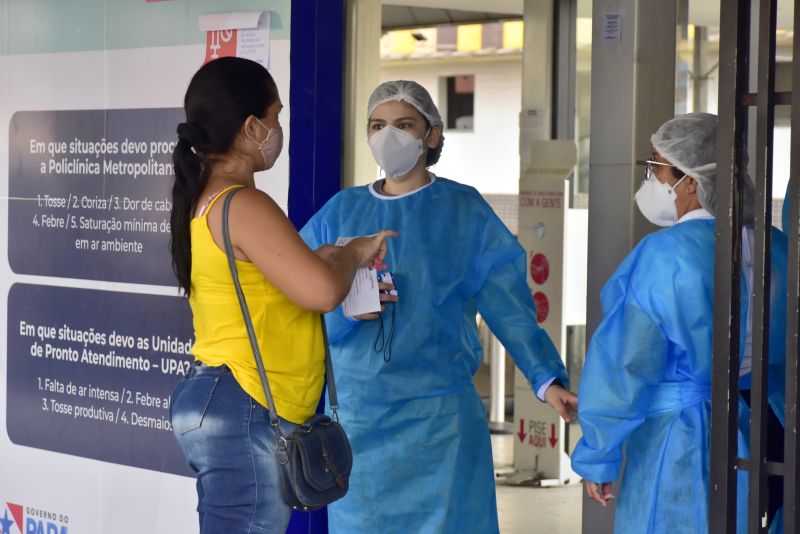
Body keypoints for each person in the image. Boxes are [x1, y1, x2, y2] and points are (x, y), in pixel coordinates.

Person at [299, 80, 577, 533]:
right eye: (377, 125)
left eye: (403, 124)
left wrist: (546, 379)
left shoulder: (463, 211)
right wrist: (344, 313)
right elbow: (296, 300)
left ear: (431, 134)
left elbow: (508, 304)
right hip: (360, 421)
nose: (388, 135)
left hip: (440, 425)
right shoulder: (340, 212)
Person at [166, 57, 395, 534]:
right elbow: (322, 291)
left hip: (224, 397)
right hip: (245, 401)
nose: (278, 128)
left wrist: (325, 259)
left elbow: (275, 282)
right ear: (251, 127)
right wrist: (352, 253)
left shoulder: (205, 199)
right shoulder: (241, 203)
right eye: (275, 116)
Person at [571, 112, 787, 533]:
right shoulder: (776, 247)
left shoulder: (664, 255)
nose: (650, 177)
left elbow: (626, 364)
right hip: (769, 428)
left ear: (691, 181)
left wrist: (599, 454)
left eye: (656, 166)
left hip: (684, 439)